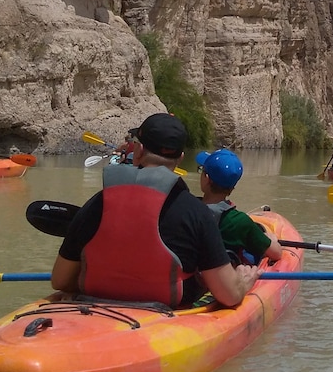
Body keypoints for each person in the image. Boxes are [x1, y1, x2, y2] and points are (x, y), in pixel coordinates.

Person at [52, 112, 258, 308]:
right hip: (166, 310)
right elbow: (229, 296)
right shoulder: (197, 213)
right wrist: (242, 283)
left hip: (95, 303)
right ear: (180, 159)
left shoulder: (98, 203)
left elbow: (60, 279)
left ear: (139, 151)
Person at [195, 148, 283, 265]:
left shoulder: (187, 207)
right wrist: (272, 240)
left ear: (206, 179)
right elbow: (276, 253)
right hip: (223, 277)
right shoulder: (240, 222)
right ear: (232, 187)